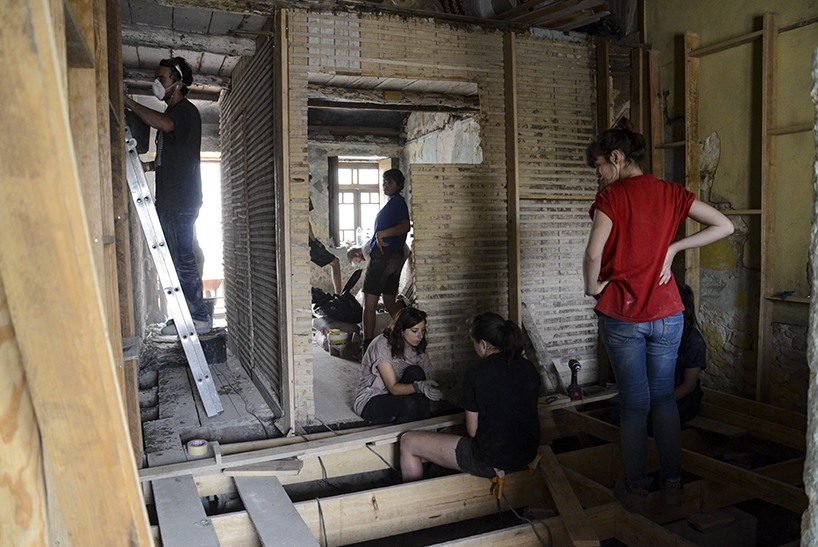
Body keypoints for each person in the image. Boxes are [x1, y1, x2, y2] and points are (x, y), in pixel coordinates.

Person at [582, 118, 733, 513]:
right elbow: (724, 225)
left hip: (624, 314)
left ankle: (636, 490)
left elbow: (593, 253)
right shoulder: (672, 192)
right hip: (668, 314)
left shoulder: (612, 197)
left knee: (634, 404)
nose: (598, 175)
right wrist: (674, 248)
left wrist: (592, 287)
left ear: (617, 158)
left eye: (599, 166)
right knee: (664, 399)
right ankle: (672, 486)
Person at [399, 312, 541, 483]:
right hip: (527, 454)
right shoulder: (528, 367)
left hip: (491, 460)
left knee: (408, 442)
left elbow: (473, 432)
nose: (474, 347)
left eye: (474, 343)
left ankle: (416, 498)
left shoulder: (475, 373)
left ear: (483, 344)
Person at [124, 57, 211, 335]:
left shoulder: (185, 112)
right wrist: (148, 166)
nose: (156, 84)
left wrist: (128, 103)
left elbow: (163, 123)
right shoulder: (175, 114)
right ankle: (186, 316)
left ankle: (198, 318)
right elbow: (171, 158)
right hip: (174, 200)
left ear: (178, 83)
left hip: (180, 202)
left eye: (162, 79)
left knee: (182, 260)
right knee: (177, 260)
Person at [354, 307, 442, 424]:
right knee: (408, 404)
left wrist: (442, 394)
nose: (420, 336)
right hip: (373, 398)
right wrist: (418, 387)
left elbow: (426, 381)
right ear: (401, 330)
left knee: (416, 372)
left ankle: (425, 425)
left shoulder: (419, 346)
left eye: (423, 330)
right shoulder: (382, 345)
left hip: (399, 394)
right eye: (414, 331)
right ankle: (407, 433)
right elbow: (393, 388)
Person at [361, 169, 411, 351]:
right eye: (384, 181)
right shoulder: (393, 203)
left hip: (384, 256)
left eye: (390, 182)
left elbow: (405, 226)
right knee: (390, 302)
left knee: (369, 303)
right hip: (394, 257)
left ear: (399, 185)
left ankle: (367, 347)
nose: (385, 185)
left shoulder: (397, 202)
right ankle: (411, 337)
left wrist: (382, 233)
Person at [673, 283, 706, 424]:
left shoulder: (693, 340)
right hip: (661, 397)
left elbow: (688, 386)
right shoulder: (662, 334)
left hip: (683, 400)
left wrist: (656, 405)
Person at [309, 194, 343, 294]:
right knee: (335, 262)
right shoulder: (303, 196)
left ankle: (338, 294)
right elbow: (305, 220)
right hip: (307, 242)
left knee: (335, 262)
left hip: (304, 240)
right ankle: (339, 295)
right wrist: (313, 240)